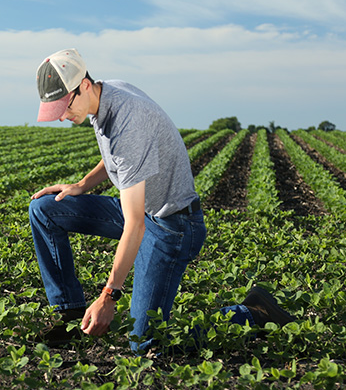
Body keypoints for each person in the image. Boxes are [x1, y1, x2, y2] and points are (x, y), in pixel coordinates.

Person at [29, 48, 294, 353]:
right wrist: (82, 185)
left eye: (64, 106)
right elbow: (121, 157)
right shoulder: (106, 94)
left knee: (145, 345)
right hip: (144, 208)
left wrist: (108, 296)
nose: (61, 117)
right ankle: (71, 315)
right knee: (44, 209)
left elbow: (135, 225)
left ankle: (253, 313)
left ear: (84, 85)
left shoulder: (128, 121)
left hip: (172, 225)